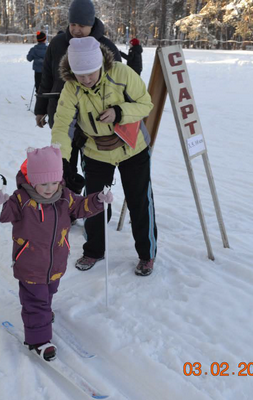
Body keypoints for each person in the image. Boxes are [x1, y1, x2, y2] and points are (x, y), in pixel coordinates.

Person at [0, 145, 112, 361]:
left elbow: (82, 207)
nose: (49, 188)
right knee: (36, 302)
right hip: (30, 264)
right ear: (33, 180)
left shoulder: (64, 197)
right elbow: (3, 214)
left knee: (49, 293)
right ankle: (39, 340)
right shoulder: (21, 200)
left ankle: (43, 314)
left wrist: (98, 200)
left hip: (56, 263)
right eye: (43, 183)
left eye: (54, 182)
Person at [51, 37, 157, 276]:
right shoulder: (72, 87)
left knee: (140, 202)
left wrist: (120, 112)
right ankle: (94, 250)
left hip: (133, 148)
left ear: (100, 65)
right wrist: (62, 160)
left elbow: (145, 104)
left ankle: (146, 254)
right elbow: (62, 124)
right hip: (96, 151)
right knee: (93, 203)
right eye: (80, 74)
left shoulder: (122, 73)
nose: (86, 79)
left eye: (90, 73)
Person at [34, 0, 122, 195]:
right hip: (62, 114)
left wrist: (116, 113)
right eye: (73, 24)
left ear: (92, 23)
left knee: (94, 168)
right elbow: (46, 77)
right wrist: (40, 109)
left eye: (82, 25)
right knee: (65, 165)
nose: (76, 30)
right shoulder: (57, 44)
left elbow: (119, 85)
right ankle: (68, 208)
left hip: (95, 120)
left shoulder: (106, 47)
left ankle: (96, 209)